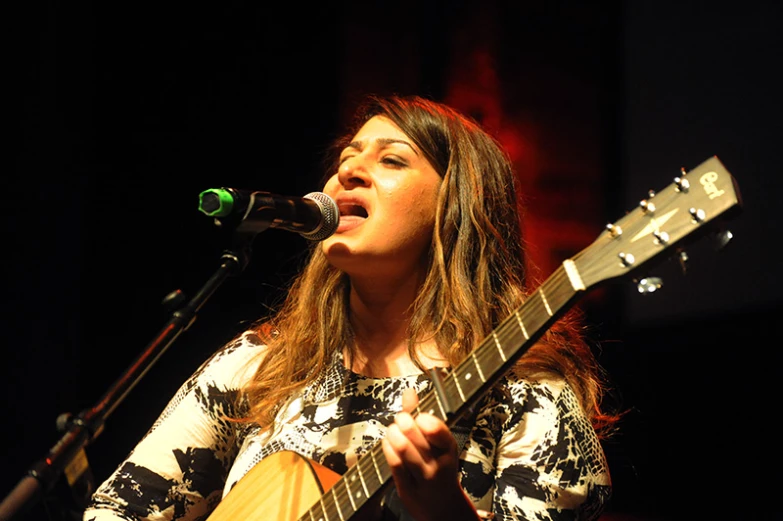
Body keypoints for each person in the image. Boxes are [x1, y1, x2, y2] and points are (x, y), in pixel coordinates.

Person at [82, 94, 619, 521]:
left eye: (390, 159)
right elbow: (117, 510)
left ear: (457, 208)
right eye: (345, 160)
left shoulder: (525, 389)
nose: (350, 173)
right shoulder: (262, 366)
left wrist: (443, 511)